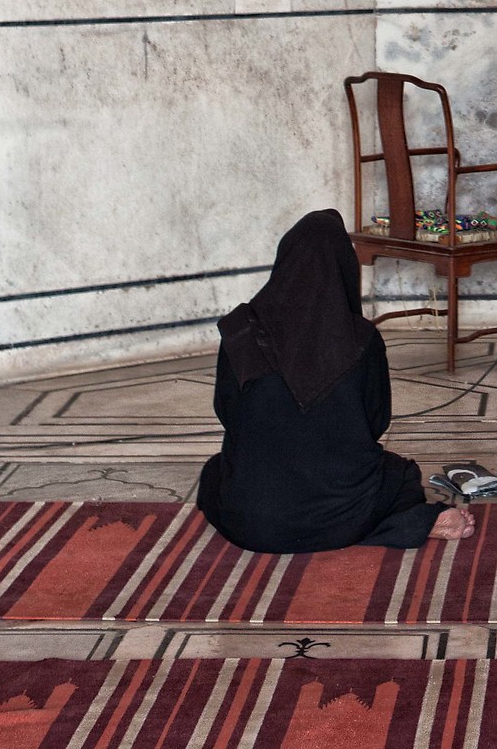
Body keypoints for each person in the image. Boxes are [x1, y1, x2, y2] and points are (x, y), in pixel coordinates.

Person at [197, 209, 473, 552]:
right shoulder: (361, 340)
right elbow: (376, 422)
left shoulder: (240, 331)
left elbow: (228, 414)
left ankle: (393, 524)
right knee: (400, 476)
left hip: (253, 523)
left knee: (215, 473)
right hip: (343, 515)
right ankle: (410, 523)